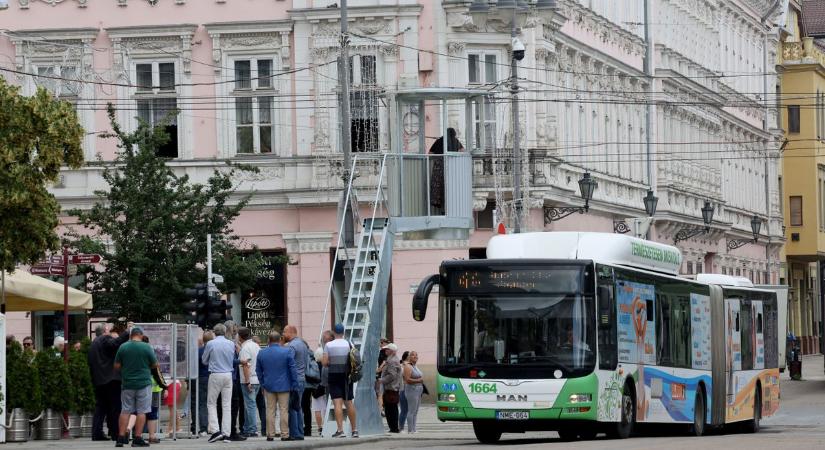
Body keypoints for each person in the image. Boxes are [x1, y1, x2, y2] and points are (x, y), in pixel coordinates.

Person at [113, 326, 161, 448]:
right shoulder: (146, 347)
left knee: (125, 410)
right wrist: (145, 366)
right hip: (143, 383)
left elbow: (116, 366)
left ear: (131, 335)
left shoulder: (123, 347)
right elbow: (155, 364)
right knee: (141, 411)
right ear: (140, 335)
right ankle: (137, 438)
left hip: (127, 384)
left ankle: (120, 438)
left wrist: (127, 368)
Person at [89, 323, 130, 441]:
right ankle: (116, 433)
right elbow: (115, 343)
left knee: (100, 407)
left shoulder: (93, 344)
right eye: (108, 329)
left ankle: (97, 433)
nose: (110, 331)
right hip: (111, 379)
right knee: (115, 407)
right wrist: (127, 332)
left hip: (98, 380)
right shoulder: (104, 339)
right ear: (104, 331)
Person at [256, 331, 297, 442]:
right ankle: (285, 434)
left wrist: (262, 383)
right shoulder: (287, 351)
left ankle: (270, 434)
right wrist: (294, 384)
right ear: (280, 340)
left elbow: (258, 371)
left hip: (268, 385)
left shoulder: (262, 353)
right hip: (284, 385)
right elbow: (293, 369)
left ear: (269, 340)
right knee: (284, 410)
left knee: (270, 410)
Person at [321, 323, 358, 438]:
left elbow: (324, 363)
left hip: (334, 375)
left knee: (337, 403)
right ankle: (354, 430)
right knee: (349, 402)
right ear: (343, 332)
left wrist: (331, 362)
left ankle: (340, 430)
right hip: (347, 376)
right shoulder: (349, 343)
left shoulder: (328, 345)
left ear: (333, 332)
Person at [202, 323, 235, 443]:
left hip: (215, 374)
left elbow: (204, 360)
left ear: (214, 332)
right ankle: (226, 434)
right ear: (225, 332)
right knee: (226, 405)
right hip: (228, 374)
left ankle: (216, 431)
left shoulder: (211, 343)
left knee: (211, 403)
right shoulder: (231, 343)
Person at [428, 127, 463, 213]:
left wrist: (438, 156)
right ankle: (450, 208)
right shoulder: (455, 141)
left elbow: (430, 153)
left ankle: (442, 208)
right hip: (452, 167)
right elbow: (462, 151)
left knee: (440, 188)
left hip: (439, 167)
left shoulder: (439, 140)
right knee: (451, 187)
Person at [283, 325, 308, 440]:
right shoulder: (303, 344)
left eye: (285, 332)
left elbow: (289, 363)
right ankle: (300, 432)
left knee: (292, 407)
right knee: (298, 406)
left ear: (291, 332)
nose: (283, 334)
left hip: (294, 380)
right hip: (302, 378)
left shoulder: (292, 346)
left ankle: (294, 433)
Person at [238, 327, 260, 438]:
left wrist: (247, 381)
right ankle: (247, 428)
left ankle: (252, 429)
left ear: (240, 337)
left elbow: (246, 365)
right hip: (257, 379)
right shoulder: (256, 346)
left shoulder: (245, 348)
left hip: (248, 379)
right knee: (249, 404)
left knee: (250, 405)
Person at [312, 330, 333, 435]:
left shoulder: (314, 364)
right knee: (325, 407)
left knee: (317, 408)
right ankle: (325, 425)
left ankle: (320, 427)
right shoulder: (325, 364)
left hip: (315, 386)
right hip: (324, 385)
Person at [380, 343, 402, 433]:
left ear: (392, 351)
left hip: (391, 387)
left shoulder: (392, 361)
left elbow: (392, 375)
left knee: (390, 409)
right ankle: (393, 427)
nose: (385, 350)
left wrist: (382, 380)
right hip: (392, 387)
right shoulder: (392, 359)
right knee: (391, 408)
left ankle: (394, 428)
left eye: (387, 349)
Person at [402, 351, 424, 433]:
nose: (415, 356)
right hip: (412, 389)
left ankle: (414, 429)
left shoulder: (415, 366)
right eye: (412, 355)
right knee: (411, 410)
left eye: (416, 355)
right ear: (409, 357)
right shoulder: (408, 366)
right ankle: (410, 430)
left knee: (415, 411)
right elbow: (407, 380)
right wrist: (418, 380)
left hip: (418, 390)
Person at [375, 337, 389, 417]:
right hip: (382, 375)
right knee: (380, 393)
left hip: (382, 375)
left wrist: (379, 369)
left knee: (380, 393)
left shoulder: (384, 351)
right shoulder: (383, 351)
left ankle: (381, 410)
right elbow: (384, 362)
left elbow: (384, 362)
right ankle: (381, 410)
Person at [399, 351, 409, 431]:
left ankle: (405, 426)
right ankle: (401, 427)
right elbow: (405, 378)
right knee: (404, 410)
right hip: (404, 389)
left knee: (407, 410)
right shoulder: (403, 366)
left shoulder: (409, 365)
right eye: (410, 355)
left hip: (409, 389)